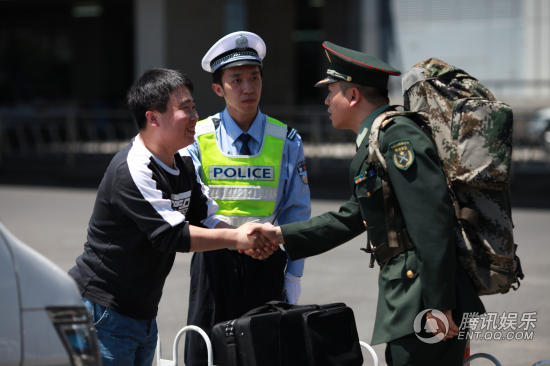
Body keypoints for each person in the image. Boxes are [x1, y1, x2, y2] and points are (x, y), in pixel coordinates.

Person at [248, 42, 485, 366]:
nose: (327, 101)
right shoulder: (375, 141)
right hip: (410, 297)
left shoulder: (398, 138)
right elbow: (353, 216)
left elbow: (432, 222)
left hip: (425, 299)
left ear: (354, 96)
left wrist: (440, 305)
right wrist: (280, 236)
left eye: (332, 92)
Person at [68, 68, 273, 366]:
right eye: (185, 109)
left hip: (142, 313)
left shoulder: (185, 157)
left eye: (194, 108)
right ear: (153, 118)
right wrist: (237, 238)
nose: (194, 117)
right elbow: (172, 235)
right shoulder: (133, 169)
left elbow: (205, 216)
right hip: (102, 312)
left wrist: (247, 238)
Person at [181, 31, 311, 365]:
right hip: (213, 265)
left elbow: (297, 212)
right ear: (218, 88)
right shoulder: (196, 138)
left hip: (267, 261)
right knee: (206, 354)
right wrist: (237, 238)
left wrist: (293, 274)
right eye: (236, 80)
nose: (247, 88)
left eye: (254, 78)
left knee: (266, 355)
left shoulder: (287, 140)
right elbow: (194, 206)